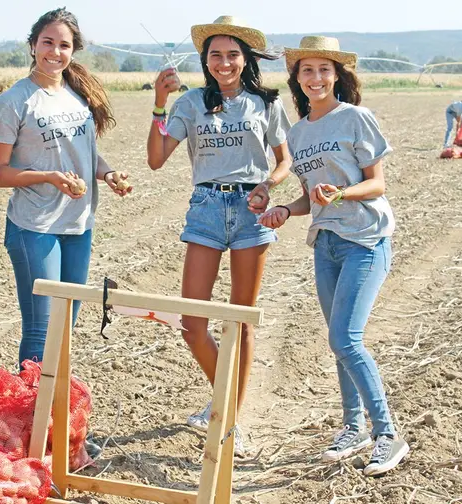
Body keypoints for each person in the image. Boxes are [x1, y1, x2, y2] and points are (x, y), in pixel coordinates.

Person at [259, 35, 409, 477]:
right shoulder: (299, 132)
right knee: (339, 342)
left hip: (365, 239)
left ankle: (387, 434)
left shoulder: (356, 118)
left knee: (345, 339)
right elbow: (311, 197)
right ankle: (353, 427)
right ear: (297, 78)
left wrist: (342, 192)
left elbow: (376, 184)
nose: (316, 78)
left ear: (337, 76)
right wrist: (286, 208)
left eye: (324, 70)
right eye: (307, 70)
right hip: (324, 243)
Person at [146, 15, 292, 453]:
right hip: (206, 209)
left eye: (232, 54)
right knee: (193, 323)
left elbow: (283, 161)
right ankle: (226, 404)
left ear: (245, 58)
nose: (224, 63)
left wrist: (269, 185)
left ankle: (229, 420)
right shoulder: (189, 103)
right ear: (205, 60)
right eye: (215, 55)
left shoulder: (266, 103)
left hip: (251, 211)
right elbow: (156, 159)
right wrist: (158, 100)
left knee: (241, 321)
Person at [0, 8, 127, 368]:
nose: (55, 51)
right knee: (41, 328)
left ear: (73, 50)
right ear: (33, 45)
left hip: (78, 224)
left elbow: (83, 154)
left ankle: (56, 418)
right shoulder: (14, 101)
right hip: (34, 226)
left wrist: (108, 173)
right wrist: (49, 177)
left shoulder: (77, 95)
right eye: (47, 42)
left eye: (64, 45)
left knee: (66, 326)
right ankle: (33, 419)